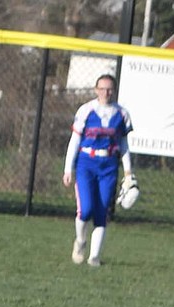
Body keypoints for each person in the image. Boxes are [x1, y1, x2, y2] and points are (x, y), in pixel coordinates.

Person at [63, 72, 134, 269]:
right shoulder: (87, 110)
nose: (106, 92)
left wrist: (128, 173)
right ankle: (80, 241)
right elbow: (75, 140)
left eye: (109, 89)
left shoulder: (122, 114)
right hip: (87, 162)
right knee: (85, 210)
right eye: (102, 88)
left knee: (102, 211)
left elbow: (124, 145)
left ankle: (94, 256)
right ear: (96, 90)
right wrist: (68, 168)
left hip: (109, 165)